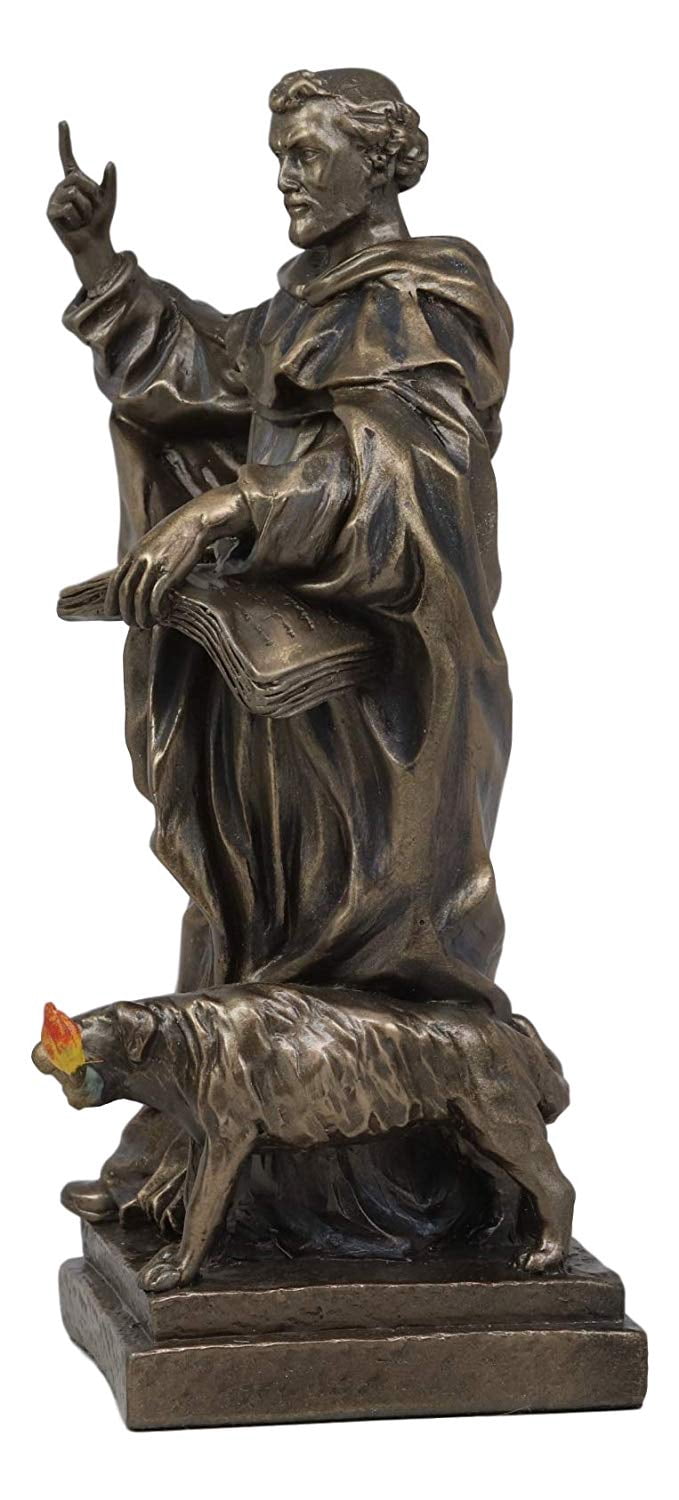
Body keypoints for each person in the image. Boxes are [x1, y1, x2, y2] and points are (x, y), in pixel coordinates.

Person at [48, 69, 515, 1255]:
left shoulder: (427, 299)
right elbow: (205, 377)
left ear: (380, 161)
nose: (286, 178)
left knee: (355, 938)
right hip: (283, 691)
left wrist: (231, 508)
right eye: (280, 157)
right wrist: (101, 264)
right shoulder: (304, 303)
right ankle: (209, 1155)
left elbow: (407, 481)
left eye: (307, 153)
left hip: (383, 702)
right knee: (249, 908)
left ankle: (366, 1189)